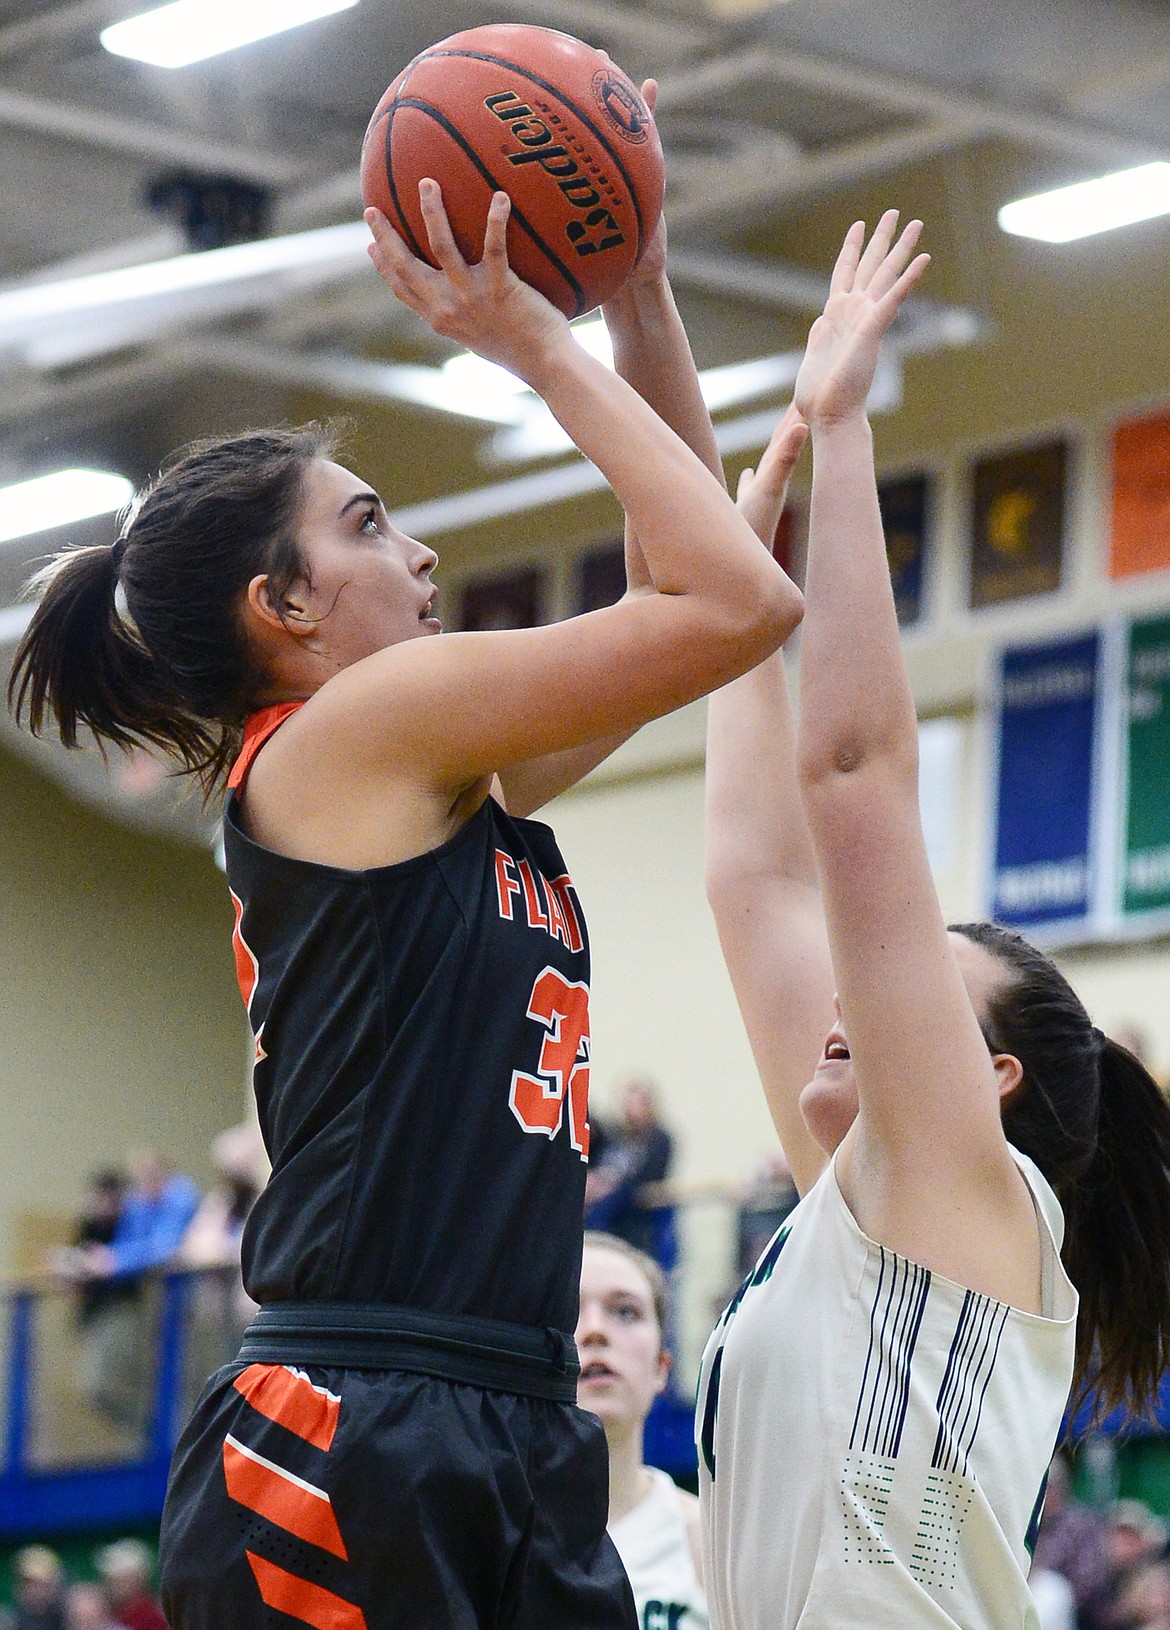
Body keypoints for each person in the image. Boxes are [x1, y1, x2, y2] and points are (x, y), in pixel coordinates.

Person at [9, 104, 802, 1630]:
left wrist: (637, 293)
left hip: (503, 1406)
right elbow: (732, 601)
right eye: (370, 524)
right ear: (285, 605)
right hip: (353, 1418)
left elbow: (681, 586)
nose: (420, 554)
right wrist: (536, 341)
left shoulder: (429, 767)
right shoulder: (351, 733)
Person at [699, 211, 1170, 1629]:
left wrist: (841, 429)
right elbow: (753, 877)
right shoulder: (858, 1209)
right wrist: (736, 563)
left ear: (990, 1078)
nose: (842, 998)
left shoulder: (970, 1192)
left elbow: (851, 779)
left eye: (900, 991)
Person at [577, 1232, 708, 1630]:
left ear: (661, 1368)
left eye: (625, 1312)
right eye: (569, 1309)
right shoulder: (488, 1541)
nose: (595, 1331)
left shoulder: (713, 1544)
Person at [586, 1077, 675, 1257]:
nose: (631, 1111)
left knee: (614, 1201)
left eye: (637, 1104)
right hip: (605, 1205)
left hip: (635, 1212)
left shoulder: (659, 1139)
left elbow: (648, 1177)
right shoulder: (613, 1135)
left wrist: (609, 1184)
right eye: (628, 1104)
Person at [92, 1542, 167, 1630]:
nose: (111, 1586)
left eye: (120, 1580)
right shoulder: (114, 1612)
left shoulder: (150, 1617)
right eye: (109, 1579)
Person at [0, 1548, 65, 1630]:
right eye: (28, 1585)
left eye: (43, 1585)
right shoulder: (8, 1621)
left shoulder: (72, 1617)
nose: (35, 1591)